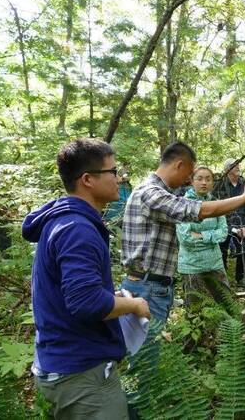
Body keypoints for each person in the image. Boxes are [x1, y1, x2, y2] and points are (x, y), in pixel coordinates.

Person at [23, 138, 150, 419]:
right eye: (113, 172)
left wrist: (115, 298)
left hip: (65, 366)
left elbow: (73, 293)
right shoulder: (76, 229)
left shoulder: (64, 221)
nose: (120, 178)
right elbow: (86, 303)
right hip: (81, 377)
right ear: (88, 180)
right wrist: (135, 305)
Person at [121, 142, 245, 374]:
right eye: (189, 174)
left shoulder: (152, 192)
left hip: (150, 286)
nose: (188, 180)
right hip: (148, 288)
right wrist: (244, 196)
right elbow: (201, 211)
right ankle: (135, 410)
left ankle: (138, 408)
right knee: (143, 366)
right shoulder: (151, 194)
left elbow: (216, 229)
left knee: (144, 362)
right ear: (180, 165)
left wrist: (204, 234)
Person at [176, 165, 232, 311]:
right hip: (191, 265)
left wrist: (201, 235)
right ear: (192, 181)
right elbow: (185, 238)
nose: (204, 183)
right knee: (195, 309)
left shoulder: (216, 203)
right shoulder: (183, 204)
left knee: (225, 305)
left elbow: (223, 233)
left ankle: (221, 334)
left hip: (215, 262)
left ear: (212, 182)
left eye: (208, 179)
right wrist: (212, 237)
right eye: (199, 179)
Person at [214, 158, 245, 287]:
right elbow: (217, 206)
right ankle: (222, 280)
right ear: (227, 169)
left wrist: (244, 226)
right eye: (234, 165)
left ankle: (240, 278)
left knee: (244, 251)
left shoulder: (244, 183)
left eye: (238, 164)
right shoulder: (219, 185)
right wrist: (226, 226)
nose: (237, 166)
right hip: (224, 223)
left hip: (241, 224)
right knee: (221, 250)